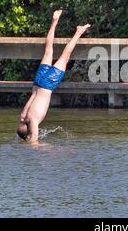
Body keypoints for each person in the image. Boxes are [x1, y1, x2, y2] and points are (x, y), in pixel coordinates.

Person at [17, 10, 90, 143]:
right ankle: (55, 20)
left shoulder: (33, 121)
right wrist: (22, 138)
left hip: (47, 84)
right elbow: (22, 131)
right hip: (37, 82)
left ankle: (78, 32)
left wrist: (51, 149)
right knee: (48, 50)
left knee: (65, 56)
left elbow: (34, 142)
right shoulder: (23, 117)